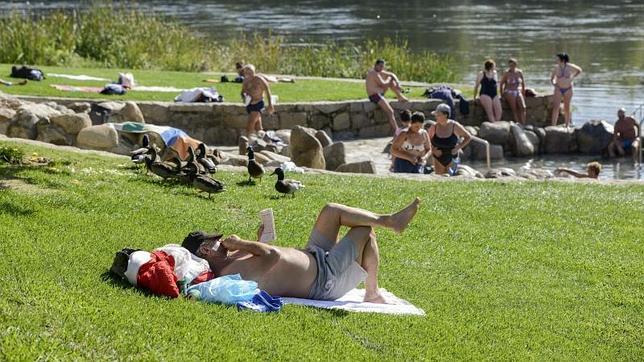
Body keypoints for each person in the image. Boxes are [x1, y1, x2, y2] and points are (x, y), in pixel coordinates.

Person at [182, 198, 421, 304]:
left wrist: (259, 239)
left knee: (330, 210)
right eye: (215, 241)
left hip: (314, 255)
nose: (221, 240)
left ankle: (389, 220)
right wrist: (242, 242)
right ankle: (372, 293)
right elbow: (273, 256)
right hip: (324, 279)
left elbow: (270, 255)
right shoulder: (232, 275)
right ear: (205, 250)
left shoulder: (232, 259)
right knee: (364, 232)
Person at [366, 59, 409, 133]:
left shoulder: (379, 72)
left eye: (383, 66)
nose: (382, 68)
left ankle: (400, 96)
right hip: (375, 96)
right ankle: (397, 131)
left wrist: (397, 82)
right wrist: (389, 78)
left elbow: (392, 74)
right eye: (380, 66)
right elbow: (384, 84)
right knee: (390, 111)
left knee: (391, 81)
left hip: (380, 93)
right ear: (376, 65)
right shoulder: (373, 73)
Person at [428, 103, 472, 175]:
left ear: (445, 115)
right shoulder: (434, 127)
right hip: (438, 157)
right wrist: (433, 150)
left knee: (451, 178)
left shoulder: (454, 126)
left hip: (452, 156)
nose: (436, 117)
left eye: (438, 115)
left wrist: (458, 147)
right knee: (439, 179)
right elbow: (427, 140)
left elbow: (468, 137)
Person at [549, 53, 582, 127]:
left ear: (562, 60)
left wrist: (572, 77)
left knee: (567, 107)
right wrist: (554, 84)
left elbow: (579, 70)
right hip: (558, 89)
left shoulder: (569, 66)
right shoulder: (556, 68)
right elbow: (552, 78)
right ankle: (553, 125)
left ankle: (567, 125)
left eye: (557, 59)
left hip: (568, 89)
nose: (556, 60)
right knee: (556, 107)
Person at [241, 64, 275, 136]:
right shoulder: (245, 81)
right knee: (258, 128)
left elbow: (267, 91)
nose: (248, 75)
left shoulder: (259, 80)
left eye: (250, 73)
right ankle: (262, 143)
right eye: (246, 73)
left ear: (254, 72)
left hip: (258, 104)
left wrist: (270, 104)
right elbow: (242, 91)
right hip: (249, 104)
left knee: (250, 126)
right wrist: (244, 96)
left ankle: (248, 145)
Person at [499, 58, 527, 125]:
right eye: (510, 65)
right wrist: (502, 94)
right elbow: (501, 84)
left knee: (523, 107)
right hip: (509, 91)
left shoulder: (519, 72)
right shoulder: (506, 73)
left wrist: (523, 92)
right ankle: (518, 123)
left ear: (516, 65)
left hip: (517, 90)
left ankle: (523, 123)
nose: (512, 67)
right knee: (514, 108)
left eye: (513, 65)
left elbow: (523, 83)